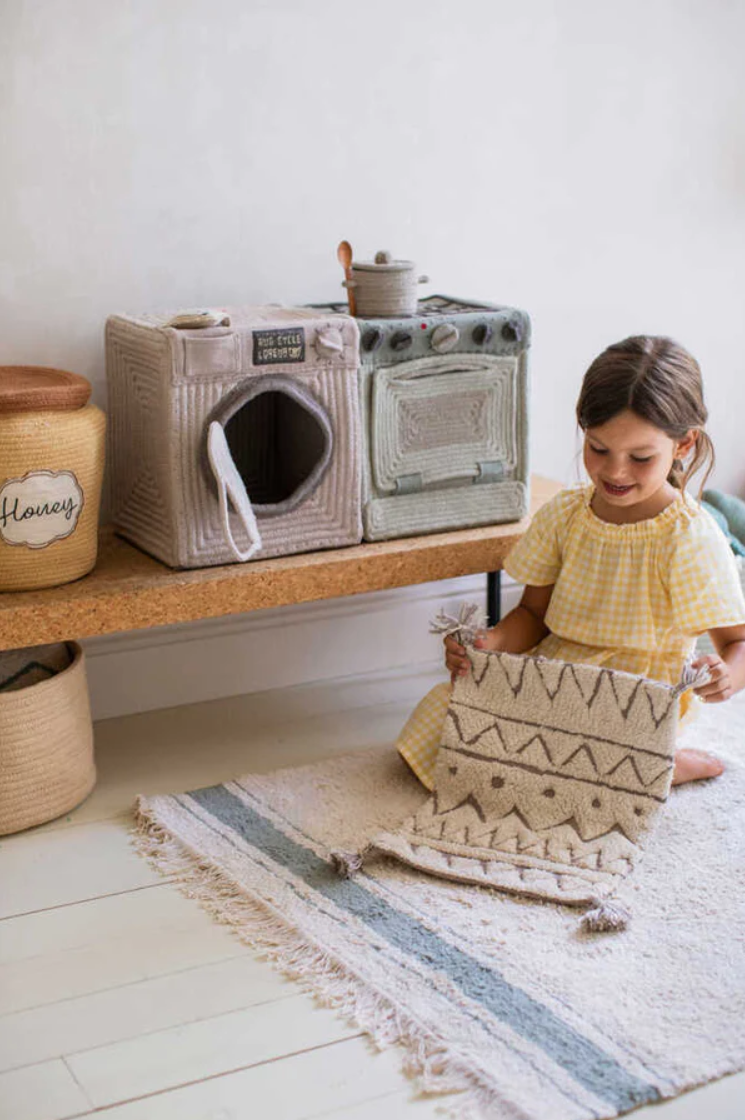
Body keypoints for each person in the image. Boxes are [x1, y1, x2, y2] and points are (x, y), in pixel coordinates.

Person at [397, 335, 745, 790]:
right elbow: (532, 615)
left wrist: (726, 677)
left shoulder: (688, 535)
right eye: (599, 449)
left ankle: (659, 765)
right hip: (553, 675)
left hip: (632, 699)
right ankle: (632, 772)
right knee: (442, 713)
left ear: (683, 445)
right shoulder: (566, 514)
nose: (615, 472)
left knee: (580, 740)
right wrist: (491, 643)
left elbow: (737, 642)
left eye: (640, 457)